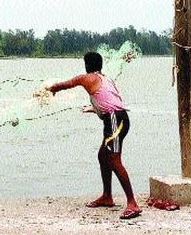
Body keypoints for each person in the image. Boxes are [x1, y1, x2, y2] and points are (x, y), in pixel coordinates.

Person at [46, 52, 141, 219]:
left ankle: (132, 203)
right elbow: (109, 100)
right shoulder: (106, 78)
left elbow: (68, 83)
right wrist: (94, 109)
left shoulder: (87, 78)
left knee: (114, 159)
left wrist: (52, 88)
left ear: (87, 65)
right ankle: (107, 196)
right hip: (118, 119)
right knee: (103, 155)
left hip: (114, 120)